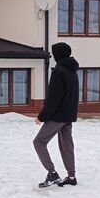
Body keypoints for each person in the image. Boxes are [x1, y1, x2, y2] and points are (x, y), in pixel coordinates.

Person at [34, 42, 79, 188]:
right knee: (67, 145)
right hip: (68, 115)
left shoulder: (59, 71)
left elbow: (54, 98)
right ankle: (71, 176)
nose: (52, 56)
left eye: (54, 53)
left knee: (39, 142)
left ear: (59, 54)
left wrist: (42, 116)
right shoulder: (72, 71)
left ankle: (52, 173)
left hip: (58, 115)